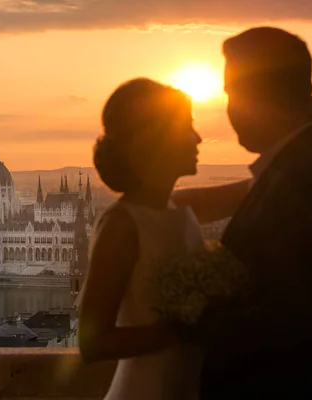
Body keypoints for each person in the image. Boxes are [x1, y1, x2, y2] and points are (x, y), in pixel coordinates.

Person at [173, 27, 312, 399]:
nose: (229, 109)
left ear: (257, 98)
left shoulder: (311, 182)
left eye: (232, 94)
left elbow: (295, 326)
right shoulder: (302, 170)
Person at [78, 78, 204, 399]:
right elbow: (92, 343)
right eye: (188, 126)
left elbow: (255, 189)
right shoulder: (120, 224)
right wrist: (183, 330)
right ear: (157, 140)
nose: (198, 138)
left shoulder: (178, 207)